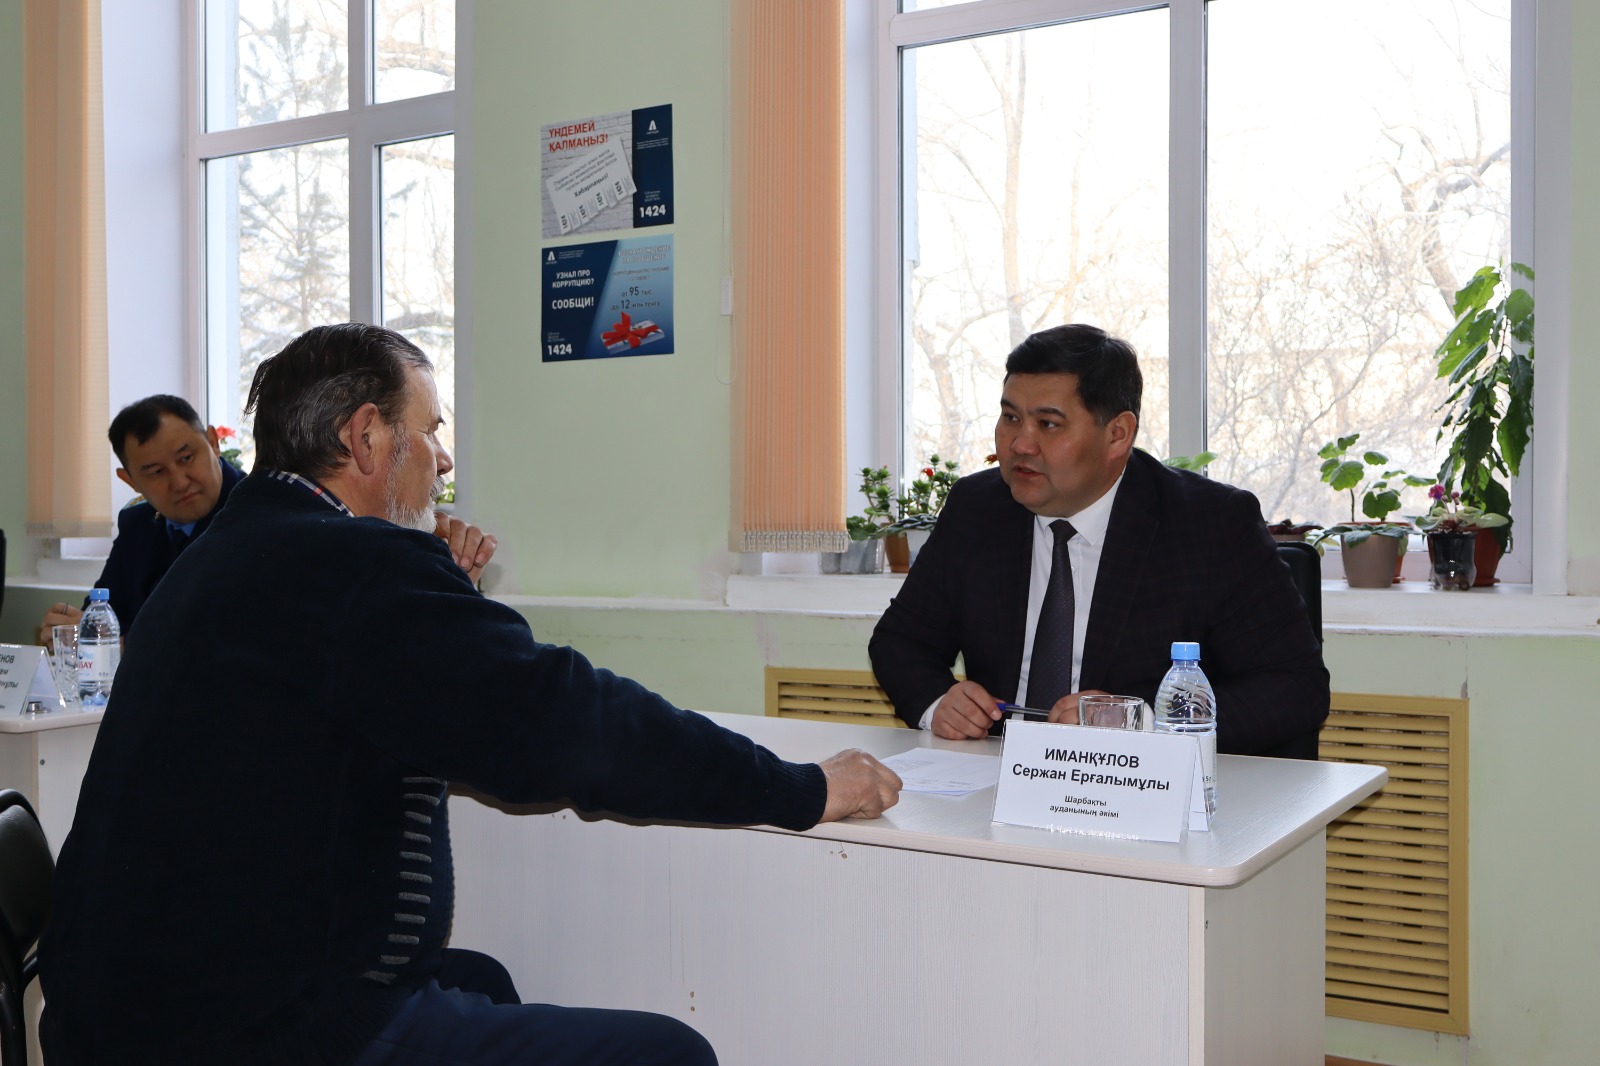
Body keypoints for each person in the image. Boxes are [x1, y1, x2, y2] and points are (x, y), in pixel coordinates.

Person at [39, 323, 902, 1066]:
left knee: (482, 978)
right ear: (367, 438)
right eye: (430, 430)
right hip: (244, 1026)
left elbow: (383, 700)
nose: (443, 459)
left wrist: (438, 594)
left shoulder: (232, 551)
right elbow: (561, 722)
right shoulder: (349, 566)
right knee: (668, 1053)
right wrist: (801, 787)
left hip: (125, 1001)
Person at [869, 323, 1328, 756]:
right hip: (1000, 776)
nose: (1019, 444)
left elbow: (1295, 687)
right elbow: (901, 641)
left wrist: (1145, 725)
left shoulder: (1208, 524)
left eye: (1048, 424)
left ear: (1117, 435)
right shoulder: (978, 508)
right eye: (1010, 417)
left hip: (1141, 788)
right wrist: (938, 703)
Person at [35, 394, 497, 647]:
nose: (179, 480)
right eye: (155, 472)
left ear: (213, 442)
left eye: (187, 457)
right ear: (129, 480)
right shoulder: (139, 528)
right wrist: (74, 631)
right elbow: (103, 617)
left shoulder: (267, 513)